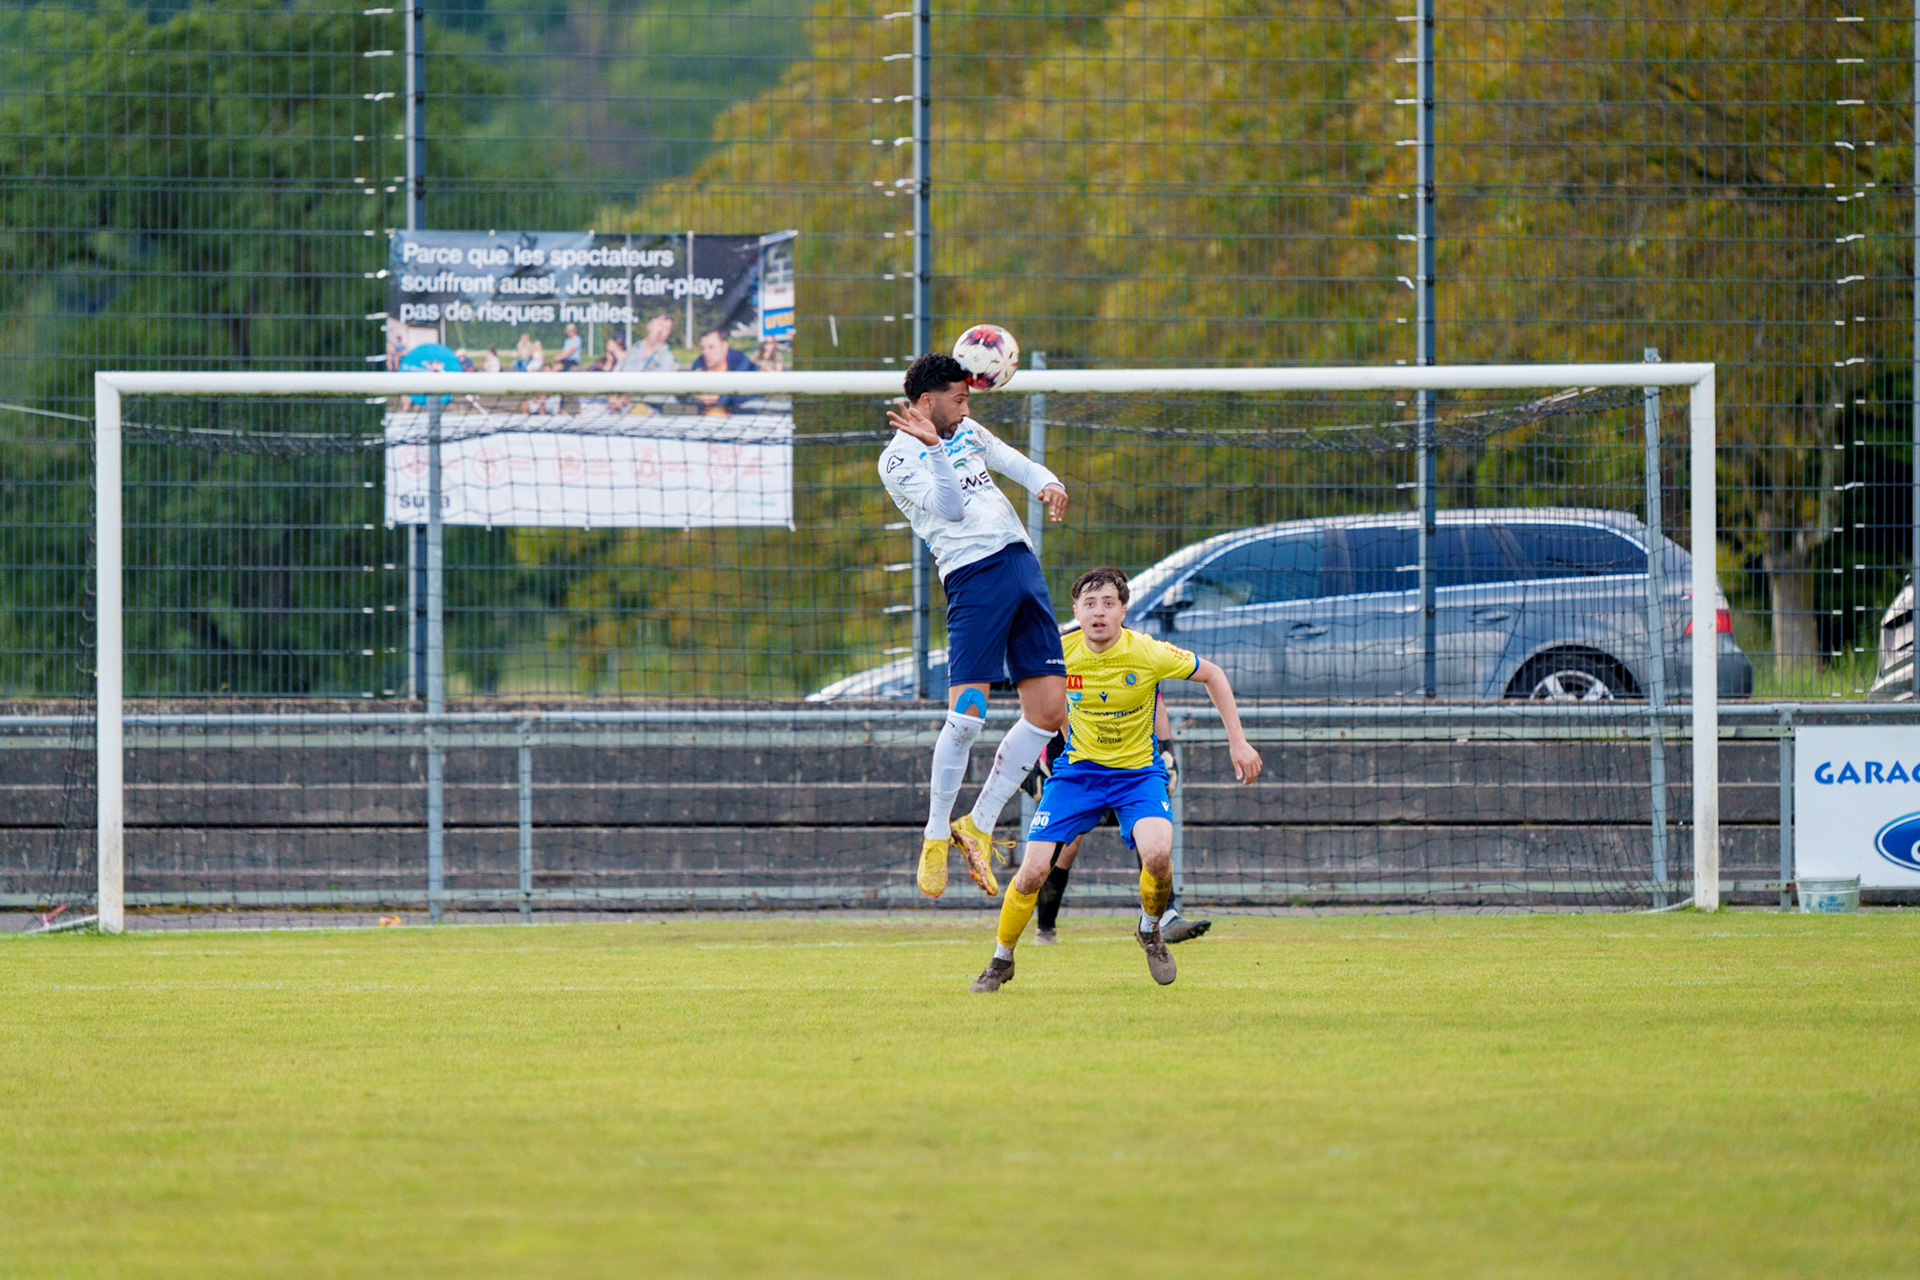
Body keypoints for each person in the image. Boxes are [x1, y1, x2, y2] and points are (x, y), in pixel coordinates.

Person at [970, 565, 1262, 993]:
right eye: (1090, 604)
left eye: (1108, 603)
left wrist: (1238, 742)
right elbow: (1035, 703)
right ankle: (1001, 959)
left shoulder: (1147, 652)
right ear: (1076, 610)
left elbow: (1213, 674)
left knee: (1158, 855)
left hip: (1137, 775)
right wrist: (1043, 752)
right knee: (1032, 871)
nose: (1099, 612)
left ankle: (1150, 930)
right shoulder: (1059, 652)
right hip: (1077, 777)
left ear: (1123, 610)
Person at [879, 352, 1070, 900]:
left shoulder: (967, 428)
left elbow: (1017, 463)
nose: (965, 410)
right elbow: (952, 509)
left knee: (1050, 712)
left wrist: (1048, 482)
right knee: (967, 717)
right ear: (925, 402)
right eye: (958, 400)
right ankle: (936, 834)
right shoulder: (896, 461)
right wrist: (937, 451)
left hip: (1021, 565)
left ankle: (979, 823)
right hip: (972, 576)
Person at [1025, 694, 1211, 946]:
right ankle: (1045, 929)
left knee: (1147, 829)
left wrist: (1167, 748)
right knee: (1067, 848)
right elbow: (1042, 693)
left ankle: (1165, 916)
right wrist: (1032, 754)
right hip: (1071, 751)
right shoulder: (1067, 656)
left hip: (1126, 752)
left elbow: (1154, 696)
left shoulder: (1136, 656)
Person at [692, 326, 758, 411]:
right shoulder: (698, 365)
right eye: (702, 348)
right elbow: (684, 395)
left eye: (711, 347)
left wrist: (719, 398)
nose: (706, 352)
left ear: (724, 346)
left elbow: (755, 392)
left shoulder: (741, 362)